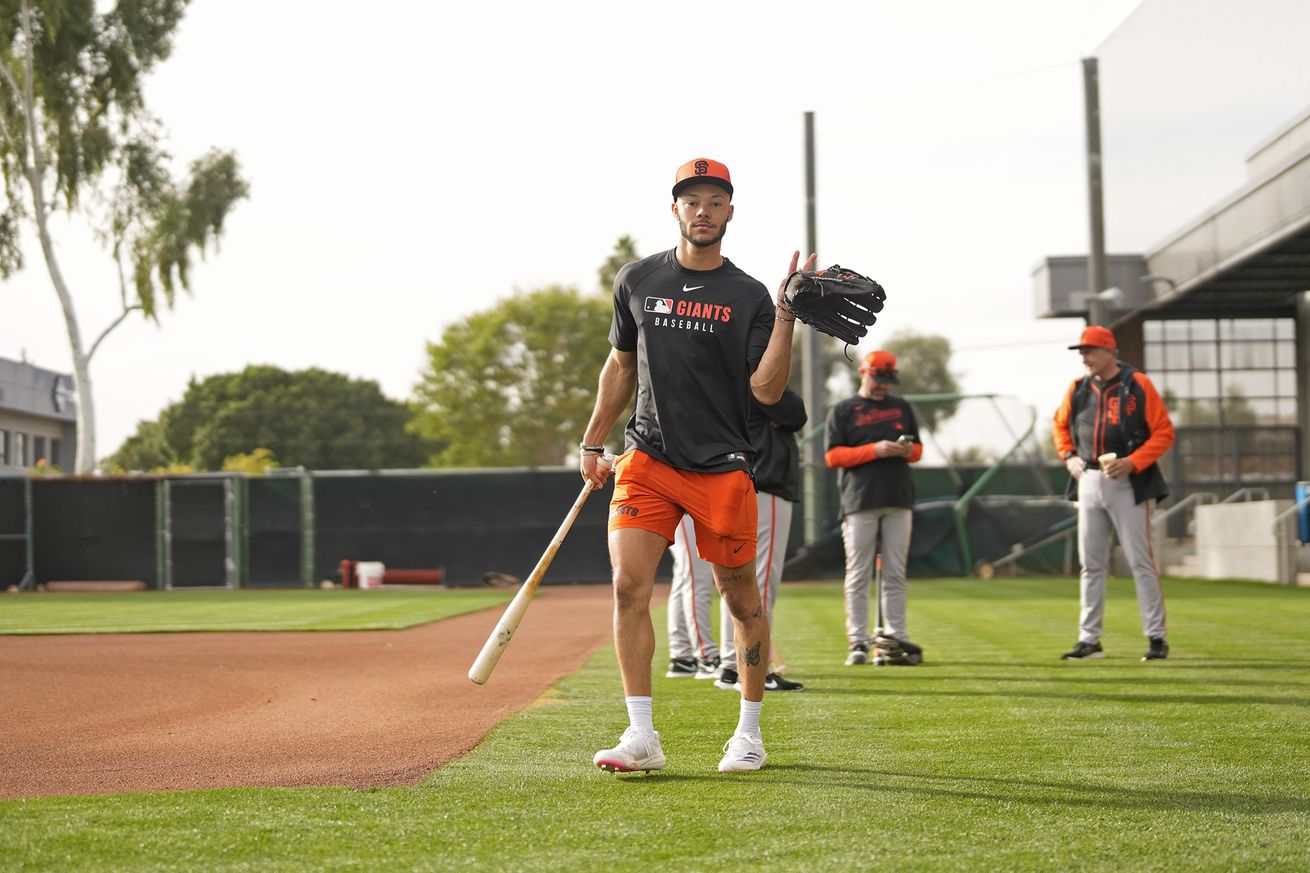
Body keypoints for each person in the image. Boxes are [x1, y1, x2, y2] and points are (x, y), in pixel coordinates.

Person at [579, 156, 814, 774]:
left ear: (730, 212)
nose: (703, 211)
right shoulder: (637, 280)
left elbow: (766, 391)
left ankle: (750, 733)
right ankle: (641, 736)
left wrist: (787, 316)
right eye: (692, 201)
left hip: (723, 467)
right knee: (629, 586)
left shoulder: (749, 295)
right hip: (648, 457)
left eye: (715, 201)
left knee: (741, 602)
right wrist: (592, 442)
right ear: (675, 209)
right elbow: (621, 366)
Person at [665, 389, 808, 692]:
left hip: (738, 481)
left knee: (736, 581)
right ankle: (754, 668)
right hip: (763, 481)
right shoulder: (750, 375)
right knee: (758, 582)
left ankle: (731, 666)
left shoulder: (720, 380)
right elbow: (796, 413)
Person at [1053, 325, 1176, 661]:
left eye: (1090, 350)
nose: (1085, 357)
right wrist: (1068, 456)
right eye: (1081, 351)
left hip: (1128, 481)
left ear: (1110, 350)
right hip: (1089, 479)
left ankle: (1156, 638)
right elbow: (1060, 426)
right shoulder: (1078, 388)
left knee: (1140, 561)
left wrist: (1134, 462)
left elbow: (1164, 432)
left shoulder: (1137, 383)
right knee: (1090, 564)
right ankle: (1089, 640)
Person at [824, 350, 924, 666]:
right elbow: (832, 457)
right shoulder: (843, 409)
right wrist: (875, 450)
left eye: (887, 380)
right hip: (859, 500)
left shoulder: (901, 406)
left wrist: (906, 450)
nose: (883, 386)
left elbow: (919, 451)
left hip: (898, 497)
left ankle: (894, 637)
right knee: (858, 573)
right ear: (864, 374)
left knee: (895, 572)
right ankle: (858, 642)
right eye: (878, 378)